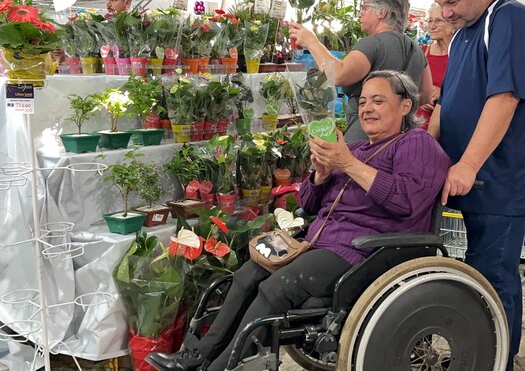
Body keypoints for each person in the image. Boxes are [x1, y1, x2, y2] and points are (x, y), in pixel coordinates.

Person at [145, 70, 451, 371]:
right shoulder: (357, 149)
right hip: (318, 242)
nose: (367, 108)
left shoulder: (417, 144)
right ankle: (196, 355)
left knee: (278, 286)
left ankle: (224, 367)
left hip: (365, 251)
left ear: (405, 106)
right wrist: (322, 173)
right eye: (363, 102)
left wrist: (347, 163)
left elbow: (406, 201)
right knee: (246, 275)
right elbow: (308, 204)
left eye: (379, 101)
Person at [426, 0, 525, 371]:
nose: (446, 12)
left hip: (499, 181)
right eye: (441, 4)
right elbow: (447, 102)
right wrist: (424, 149)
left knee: (492, 280)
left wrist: (468, 164)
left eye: (453, 1)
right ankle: (478, 354)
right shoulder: (461, 34)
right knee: (474, 277)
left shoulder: (508, 17)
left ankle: (495, 361)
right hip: (469, 180)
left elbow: (505, 97)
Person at [289, 0, 433, 142]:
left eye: (365, 8)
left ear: (382, 13)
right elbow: (426, 96)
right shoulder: (416, 49)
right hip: (401, 136)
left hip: (365, 137)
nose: (360, 14)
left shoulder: (373, 44)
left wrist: (311, 42)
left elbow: (338, 75)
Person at [417, 2, 455, 130]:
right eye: (430, 21)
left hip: (449, 125)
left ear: (452, 24)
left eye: (438, 21)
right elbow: (408, 87)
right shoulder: (422, 52)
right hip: (421, 124)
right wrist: (422, 96)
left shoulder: (462, 55)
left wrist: (444, 94)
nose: (432, 26)